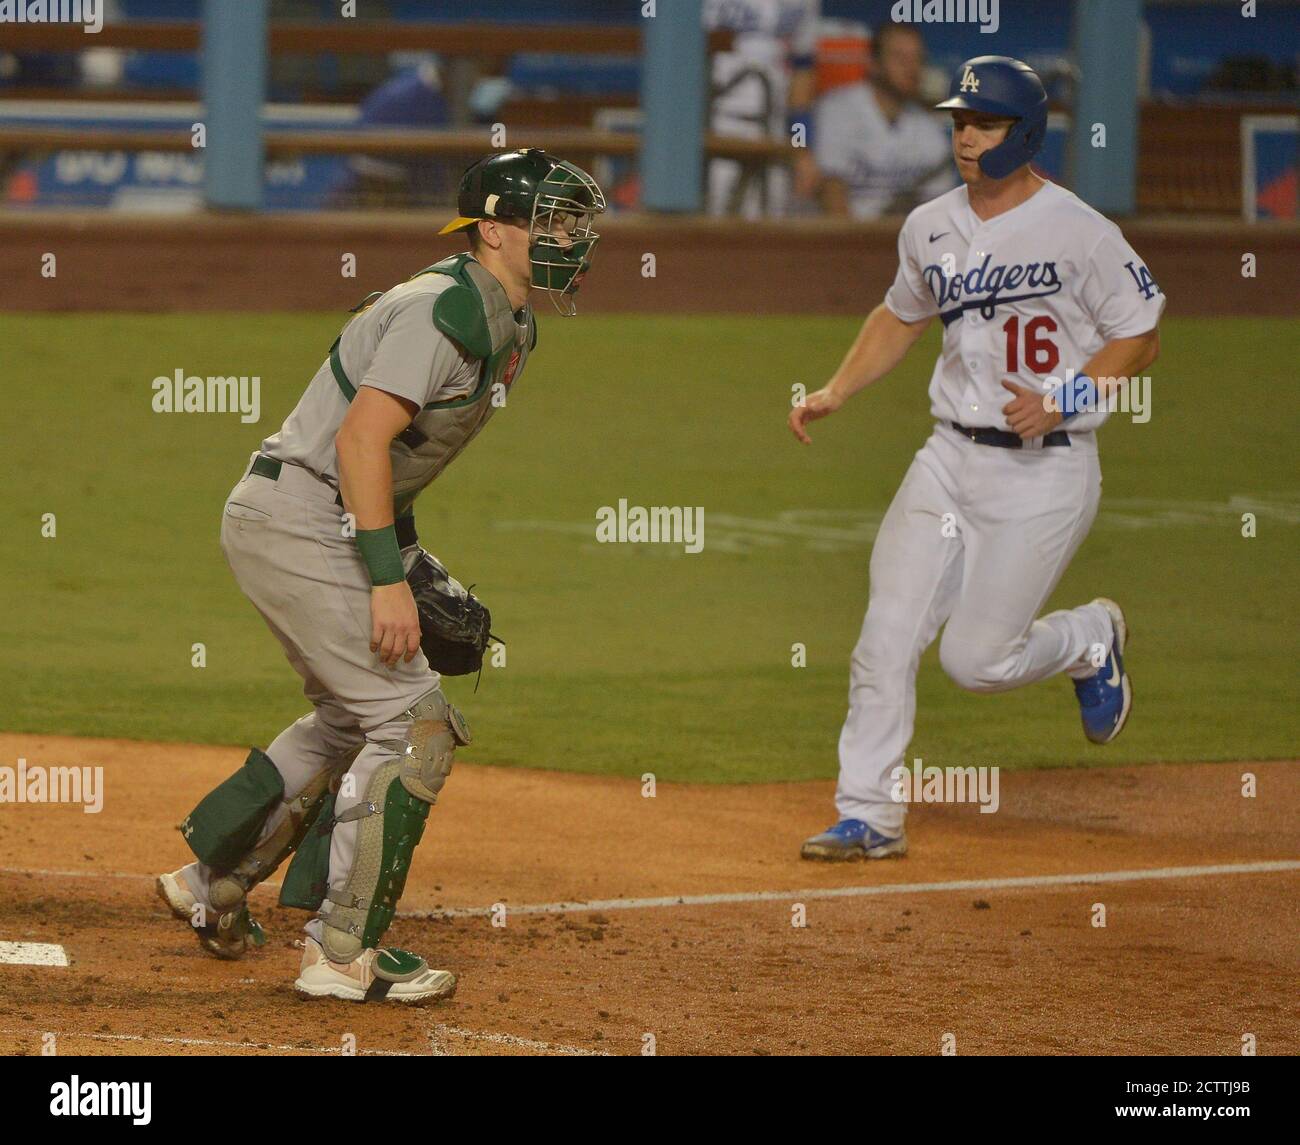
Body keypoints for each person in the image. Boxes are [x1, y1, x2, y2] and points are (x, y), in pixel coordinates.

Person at [156, 149, 605, 1000]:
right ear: (497, 230)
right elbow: (361, 440)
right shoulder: (444, 312)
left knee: (351, 717)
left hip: (309, 513)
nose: (571, 238)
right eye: (552, 220)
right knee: (417, 727)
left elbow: (390, 464)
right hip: (299, 515)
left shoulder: (502, 318)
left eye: (573, 223)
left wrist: (400, 556)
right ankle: (338, 953)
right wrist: (386, 581)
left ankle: (211, 879)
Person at [790, 57, 1163, 861]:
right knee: (884, 635)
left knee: (975, 660)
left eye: (984, 123)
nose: (966, 137)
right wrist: (837, 389)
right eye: (960, 122)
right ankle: (870, 813)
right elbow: (899, 315)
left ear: (1023, 133)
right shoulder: (930, 225)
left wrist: (1065, 393)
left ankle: (1090, 637)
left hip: (1047, 471)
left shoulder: (1081, 230)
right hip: (947, 459)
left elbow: (1141, 335)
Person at [815, 22, 955, 219]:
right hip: (840, 242)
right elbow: (831, 192)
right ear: (874, 63)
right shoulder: (838, 109)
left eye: (917, 58)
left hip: (899, 243)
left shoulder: (929, 131)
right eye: (900, 58)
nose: (911, 68)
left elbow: (938, 214)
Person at [704, 0, 821, 218]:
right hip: (715, 125)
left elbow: (802, 72)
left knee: (768, 232)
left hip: (772, 130)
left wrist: (801, 147)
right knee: (710, 231)